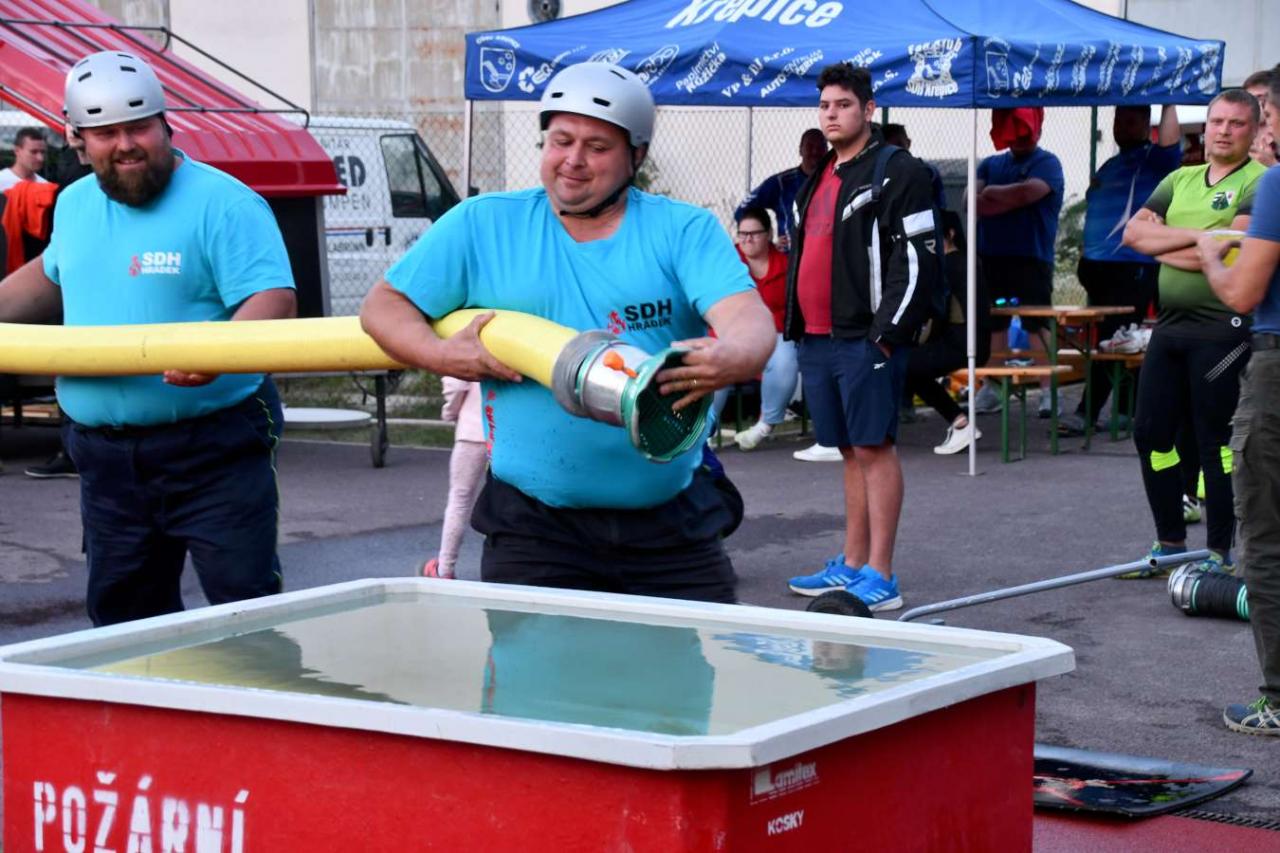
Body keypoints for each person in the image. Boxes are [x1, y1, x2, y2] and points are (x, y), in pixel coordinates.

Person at [360, 62, 775, 604]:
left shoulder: (682, 229)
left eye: (597, 147)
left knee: (686, 660)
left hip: (671, 528)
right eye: (561, 141)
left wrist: (735, 354)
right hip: (535, 530)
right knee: (537, 663)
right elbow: (383, 307)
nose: (573, 160)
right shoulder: (483, 224)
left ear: (636, 157)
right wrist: (440, 355)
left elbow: (747, 317)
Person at [0, 51, 297, 626]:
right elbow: (51, 276)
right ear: (77, 140)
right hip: (105, 455)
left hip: (215, 445)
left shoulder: (226, 203)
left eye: (139, 128)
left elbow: (274, 299)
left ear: (165, 124)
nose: (126, 145)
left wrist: (218, 353)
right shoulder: (74, 204)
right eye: (106, 133)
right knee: (123, 620)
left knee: (245, 609)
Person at [782, 63, 942, 611]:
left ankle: (882, 575)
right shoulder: (819, 175)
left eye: (843, 105)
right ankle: (851, 565)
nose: (831, 114)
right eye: (825, 105)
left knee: (874, 448)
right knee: (849, 450)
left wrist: (887, 335)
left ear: (868, 110)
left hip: (865, 339)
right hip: (817, 339)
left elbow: (917, 259)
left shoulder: (898, 170)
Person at [1119, 88, 1267, 578]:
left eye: (1236, 123)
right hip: (1170, 328)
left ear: (1253, 131)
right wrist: (1204, 240)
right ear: (1204, 127)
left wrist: (1165, 243)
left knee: (1214, 443)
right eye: (1217, 121)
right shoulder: (1179, 178)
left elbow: (1234, 253)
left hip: (1223, 331)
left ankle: (1219, 554)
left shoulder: (1258, 182)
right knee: (1151, 435)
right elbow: (1133, 234)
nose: (1223, 131)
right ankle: (1169, 545)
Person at [1197, 67, 1280, 735]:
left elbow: (1243, 293)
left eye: (1265, 114)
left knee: (1267, 539)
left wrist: (1210, 252)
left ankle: (1277, 700)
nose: (1258, 129)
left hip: (1275, 368)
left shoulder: (1276, 184)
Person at [1057, 105, 1182, 437]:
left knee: (1113, 340)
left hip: (1131, 265)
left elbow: (1171, 142)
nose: (1121, 127)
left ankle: (1086, 413)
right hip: (1098, 267)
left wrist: (1169, 100)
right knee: (1121, 339)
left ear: (1146, 124)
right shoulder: (1111, 164)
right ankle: (1128, 410)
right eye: (1117, 121)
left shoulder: (1156, 159)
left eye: (1130, 121)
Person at [971, 108, 1065, 418]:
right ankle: (993, 388)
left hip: (1031, 258)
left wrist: (992, 194)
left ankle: (1048, 391)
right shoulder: (990, 164)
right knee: (994, 323)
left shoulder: (1048, 163)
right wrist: (1001, 200)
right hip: (991, 257)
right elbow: (971, 202)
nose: (1021, 138)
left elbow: (1027, 193)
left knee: (1035, 323)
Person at [24, 123, 95, 480]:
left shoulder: (78, 186)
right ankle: (71, 449)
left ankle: (72, 450)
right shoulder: (73, 193)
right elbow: (49, 267)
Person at [904, 210, 991, 454]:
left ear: (950, 234)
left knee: (905, 366)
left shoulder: (948, 266)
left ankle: (959, 422)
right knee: (909, 365)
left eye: (934, 237)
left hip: (961, 345)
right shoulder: (969, 261)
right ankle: (958, 421)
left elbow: (935, 313)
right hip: (974, 342)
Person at [726, 205, 797, 451]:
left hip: (775, 335)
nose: (747, 239)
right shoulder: (726, 264)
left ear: (768, 234)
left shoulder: (785, 265)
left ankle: (764, 425)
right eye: (742, 234)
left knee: (785, 359)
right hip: (732, 334)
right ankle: (702, 432)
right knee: (710, 362)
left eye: (754, 233)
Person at [421, 377, 487, 579]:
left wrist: (450, 411)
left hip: (473, 427)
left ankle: (444, 569)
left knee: (460, 498)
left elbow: (456, 384)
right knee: (509, 496)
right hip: (508, 431)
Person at [735, 128, 827, 252]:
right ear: (800, 150)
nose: (815, 151)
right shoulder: (781, 183)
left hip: (825, 255)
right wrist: (766, 243)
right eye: (810, 146)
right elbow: (742, 210)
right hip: (789, 257)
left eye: (820, 147)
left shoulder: (835, 181)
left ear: (826, 150)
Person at [1244, 68, 1277, 169]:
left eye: (1260, 98)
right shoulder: (1242, 134)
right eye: (1249, 98)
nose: (1254, 103)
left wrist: (1272, 164)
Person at [0, 126, 49, 192]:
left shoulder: (45, 186)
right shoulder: (2, 181)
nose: (40, 158)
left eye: (42, 152)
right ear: (17, 151)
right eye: (33, 152)